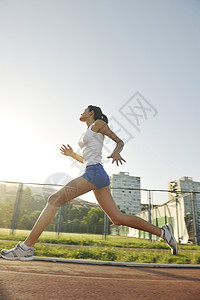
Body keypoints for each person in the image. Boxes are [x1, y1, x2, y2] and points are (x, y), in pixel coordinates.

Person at [0, 105, 178, 260]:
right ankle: (163, 232)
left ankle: (26, 247)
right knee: (117, 218)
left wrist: (116, 152)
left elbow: (119, 141)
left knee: (53, 200)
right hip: (95, 173)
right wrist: (72, 155)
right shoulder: (88, 132)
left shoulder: (98, 124)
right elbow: (86, 159)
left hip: (95, 173)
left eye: (85, 109)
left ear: (91, 112)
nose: (82, 111)